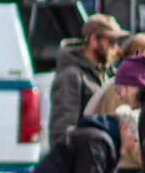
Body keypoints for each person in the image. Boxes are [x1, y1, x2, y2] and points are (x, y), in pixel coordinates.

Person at [49, 13, 125, 150]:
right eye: (111, 41)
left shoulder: (109, 75)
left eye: (117, 42)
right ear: (93, 41)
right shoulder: (71, 76)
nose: (116, 48)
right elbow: (63, 132)